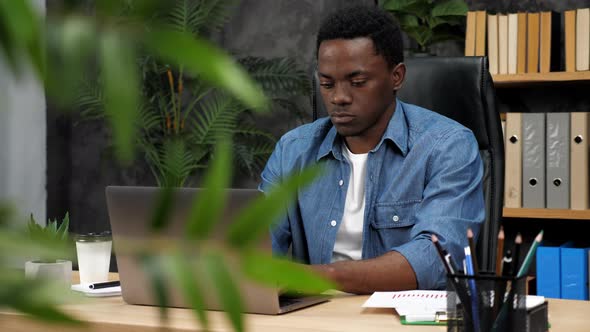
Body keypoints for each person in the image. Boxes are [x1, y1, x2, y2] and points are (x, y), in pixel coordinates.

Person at [259, 5, 484, 294]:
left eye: (358, 82)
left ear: (397, 77)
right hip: (314, 318)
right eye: (326, 84)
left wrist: (322, 277)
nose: (338, 97)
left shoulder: (448, 146)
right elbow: (257, 246)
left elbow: (436, 258)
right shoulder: (294, 150)